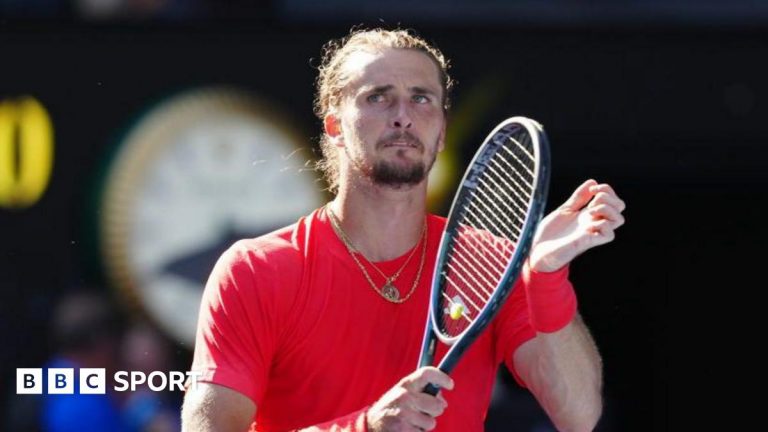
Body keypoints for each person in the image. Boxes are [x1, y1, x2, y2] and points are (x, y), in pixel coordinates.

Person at [181, 27, 626, 432]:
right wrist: (366, 428)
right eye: (378, 96)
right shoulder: (256, 270)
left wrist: (544, 276)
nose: (403, 116)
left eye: (421, 98)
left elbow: (579, 416)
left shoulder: (489, 263)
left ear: (441, 131)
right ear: (335, 126)